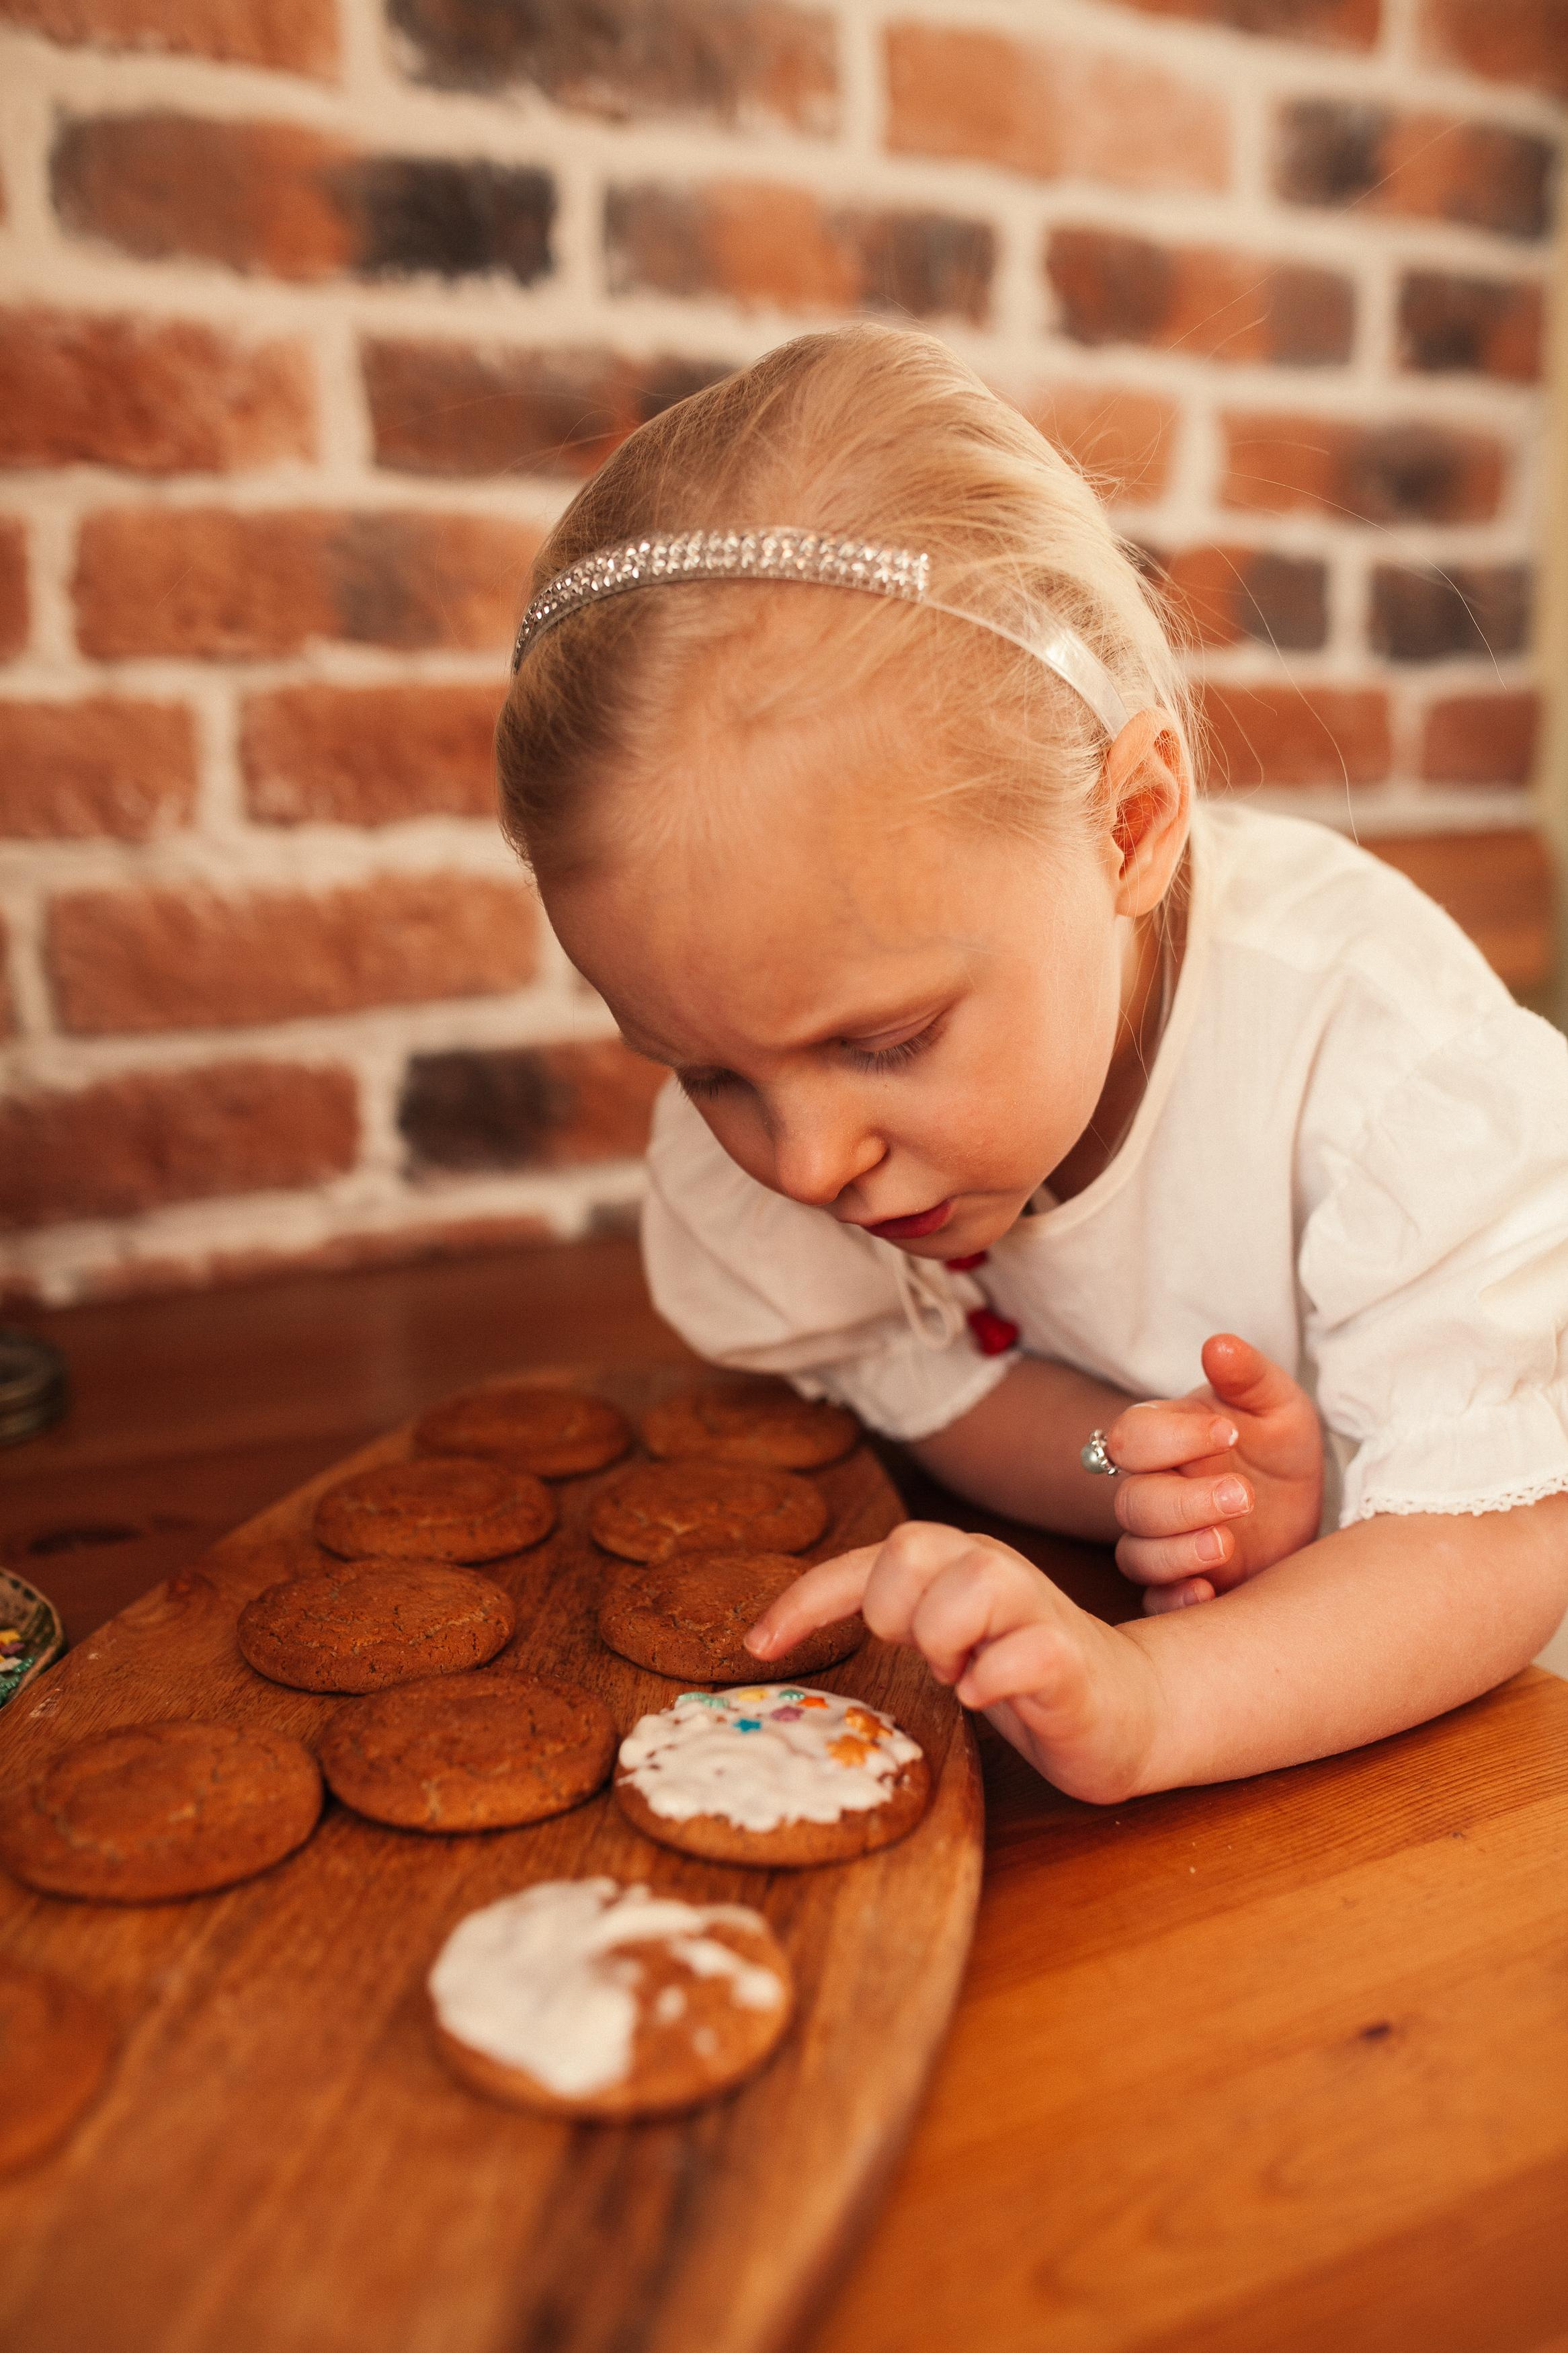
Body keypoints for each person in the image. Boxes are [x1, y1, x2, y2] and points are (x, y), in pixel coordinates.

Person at [497, 322, 1568, 1804]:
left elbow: (1499, 1544)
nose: (805, 1166)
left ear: (1128, 827)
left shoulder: (1378, 1065)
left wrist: (1150, 1695)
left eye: (884, 1042)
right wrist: (1144, 1475)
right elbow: (920, 1371)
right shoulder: (809, 1117)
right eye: (706, 1075)